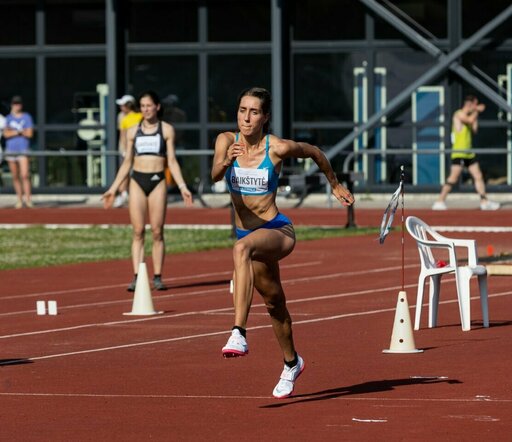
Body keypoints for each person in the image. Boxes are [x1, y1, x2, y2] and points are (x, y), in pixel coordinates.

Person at [211, 87, 354, 399]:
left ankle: (238, 333)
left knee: (241, 249)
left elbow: (314, 151)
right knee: (275, 303)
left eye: (254, 112)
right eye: (242, 110)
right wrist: (226, 162)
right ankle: (292, 363)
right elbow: (213, 175)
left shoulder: (276, 147)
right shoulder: (226, 141)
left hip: (277, 230)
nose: (246, 118)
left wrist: (334, 184)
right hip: (245, 233)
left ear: (265, 117)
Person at [102, 90, 193, 291]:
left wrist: (182, 186)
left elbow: (171, 161)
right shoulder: (133, 131)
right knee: (137, 231)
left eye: (149, 106)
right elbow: (127, 162)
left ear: (157, 107)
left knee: (157, 231)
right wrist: (113, 188)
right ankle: (137, 276)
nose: (146, 109)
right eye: (142, 106)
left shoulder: (167, 129)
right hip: (137, 180)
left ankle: (158, 276)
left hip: (157, 180)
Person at [432, 95, 500, 211]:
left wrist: (475, 113)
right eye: (475, 104)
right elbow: (468, 120)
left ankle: (484, 201)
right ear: (470, 104)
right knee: (453, 178)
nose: (476, 106)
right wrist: (477, 111)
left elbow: (474, 129)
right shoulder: (458, 114)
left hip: (469, 153)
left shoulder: (471, 116)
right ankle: (439, 201)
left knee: (478, 176)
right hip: (459, 153)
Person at [3, 96, 34, 209]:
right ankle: (19, 200)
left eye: (19, 104)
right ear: (12, 105)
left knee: (25, 175)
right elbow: (6, 134)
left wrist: (14, 131)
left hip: (23, 149)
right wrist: (19, 132)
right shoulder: (8, 118)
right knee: (15, 176)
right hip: (11, 150)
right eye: (15, 104)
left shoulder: (27, 117)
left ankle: (28, 199)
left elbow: (30, 133)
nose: (17, 106)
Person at [113, 95, 142, 208]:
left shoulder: (140, 116)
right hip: (125, 151)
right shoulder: (122, 117)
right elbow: (123, 136)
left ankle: (137, 195)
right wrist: (125, 150)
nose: (121, 107)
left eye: (123, 105)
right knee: (124, 172)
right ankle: (123, 194)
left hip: (139, 151)